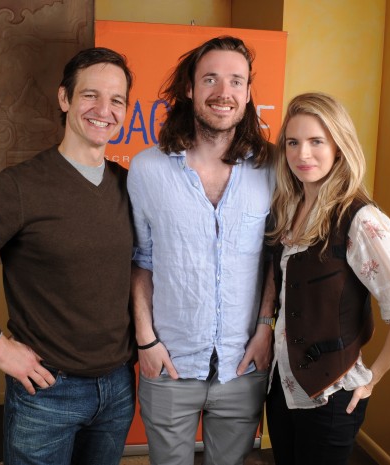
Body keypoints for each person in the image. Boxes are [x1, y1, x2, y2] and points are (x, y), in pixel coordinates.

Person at [0, 47, 136, 465]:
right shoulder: (17, 188)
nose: (104, 110)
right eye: (90, 95)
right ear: (65, 99)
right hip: (47, 392)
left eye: (117, 100)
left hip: (118, 388)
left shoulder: (130, 186)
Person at [128, 36, 277, 465]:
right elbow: (141, 260)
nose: (223, 92)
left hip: (242, 363)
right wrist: (145, 340)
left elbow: (272, 258)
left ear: (248, 95)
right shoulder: (147, 168)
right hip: (169, 360)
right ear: (190, 89)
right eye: (210, 78)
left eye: (236, 81)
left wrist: (265, 327)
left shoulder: (270, 169)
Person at [265, 92, 390, 464]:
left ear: (339, 147)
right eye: (293, 142)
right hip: (284, 387)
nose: (302, 154)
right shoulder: (289, 206)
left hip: (331, 396)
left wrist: (372, 379)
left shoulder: (360, 219)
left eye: (316, 141)